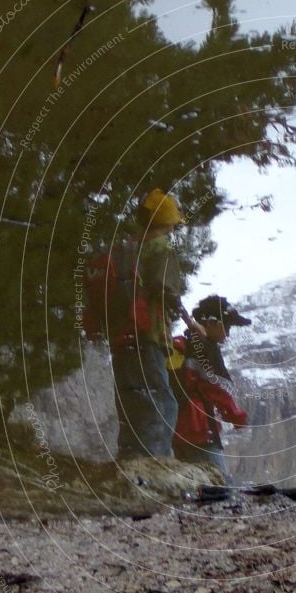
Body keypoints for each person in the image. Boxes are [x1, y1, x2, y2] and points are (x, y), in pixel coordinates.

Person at [108, 188, 188, 459]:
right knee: (162, 404)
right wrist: (185, 316)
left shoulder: (124, 249)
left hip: (121, 337)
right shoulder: (161, 250)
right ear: (167, 223)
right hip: (148, 335)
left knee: (131, 403)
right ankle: (153, 468)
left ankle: (130, 464)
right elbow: (166, 290)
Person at [170, 295, 251, 479]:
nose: (228, 334)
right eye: (227, 326)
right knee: (218, 482)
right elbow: (218, 390)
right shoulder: (206, 349)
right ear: (212, 323)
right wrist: (237, 418)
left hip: (175, 429)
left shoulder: (181, 345)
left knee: (191, 482)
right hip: (198, 428)